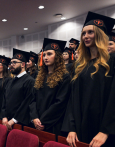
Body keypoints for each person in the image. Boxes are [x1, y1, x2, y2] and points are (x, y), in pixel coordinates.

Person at [62, 11, 115, 147]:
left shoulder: (112, 61)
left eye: (90, 32)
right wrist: (71, 127)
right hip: (80, 128)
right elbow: (72, 99)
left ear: (100, 35)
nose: (86, 36)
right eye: (84, 33)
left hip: (104, 130)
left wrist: (105, 130)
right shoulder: (80, 65)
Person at [29, 38, 71, 138]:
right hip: (36, 123)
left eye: (49, 54)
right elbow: (32, 99)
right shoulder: (40, 76)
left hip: (53, 124)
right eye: (44, 54)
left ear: (57, 56)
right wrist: (34, 117)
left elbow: (60, 103)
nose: (45, 57)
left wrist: (42, 121)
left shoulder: (65, 77)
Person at [1, 48, 35, 130]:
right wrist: (4, 116)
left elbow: (27, 103)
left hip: (20, 124)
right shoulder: (10, 81)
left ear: (23, 64)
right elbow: (4, 100)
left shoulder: (29, 81)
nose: (11, 65)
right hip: (7, 122)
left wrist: (14, 120)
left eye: (14, 62)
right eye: (11, 62)